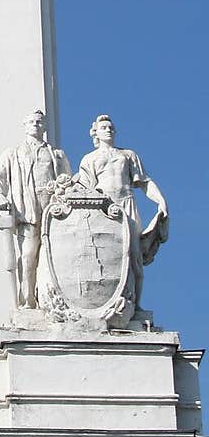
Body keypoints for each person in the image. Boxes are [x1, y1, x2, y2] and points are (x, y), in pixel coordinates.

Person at [77, 114, 168, 311]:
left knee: (134, 257)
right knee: (111, 256)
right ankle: (108, 301)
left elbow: (145, 182)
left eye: (111, 127)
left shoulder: (127, 155)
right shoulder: (90, 159)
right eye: (103, 128)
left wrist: (161, 201)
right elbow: (85, 188)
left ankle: (136, 307)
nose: (108, 130)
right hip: (105, 208)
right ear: (96, 134)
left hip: (127, 204)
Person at [0, 108, 71, 308]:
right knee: (28, 255)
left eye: (39, 122)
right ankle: (28, 300)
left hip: (53, 211)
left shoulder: (56, 155)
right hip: (28, 211)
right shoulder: (13, 154)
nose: (35, 125)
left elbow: (69, 182)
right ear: (24, 126)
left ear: (44, 126)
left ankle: (52, 300)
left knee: (53, 256)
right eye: (32, 122)